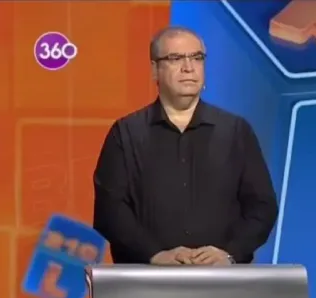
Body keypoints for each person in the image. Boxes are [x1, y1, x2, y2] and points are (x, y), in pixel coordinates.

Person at [93, 26, 278, 265]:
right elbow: (110, 210)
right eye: (175, 58)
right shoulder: (126, 133)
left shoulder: (235, 131)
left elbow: (262, 207)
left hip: (221, 280)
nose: (188, 67)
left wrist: (230, 253)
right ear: (155, 70)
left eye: (197, 58)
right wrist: (155, 254)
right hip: (146, 279)